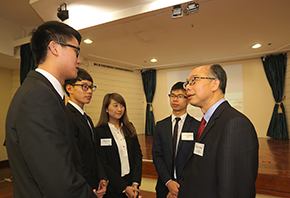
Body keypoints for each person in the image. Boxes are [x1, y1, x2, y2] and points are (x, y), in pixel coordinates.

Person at [5, 21, 100, 198]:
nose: (79, 60)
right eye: (76, 51)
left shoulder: (42, 92)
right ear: (54, 48)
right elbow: (60, 183)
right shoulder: (38, 97)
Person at [178, 64, 259, 198]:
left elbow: (235, 190)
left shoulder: (235, 123)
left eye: (194, 80)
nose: (187, 87)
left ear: (215, 84)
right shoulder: (207, 122)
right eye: (187, 82)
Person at [64, 68, 107, 197]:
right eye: (84, 87)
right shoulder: (67, 116)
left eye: (91, 87)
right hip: (81, 187)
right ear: (69, 89)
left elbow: (93, 152)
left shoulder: (86, 117)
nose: (89, 91)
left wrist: (102, 177)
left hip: (93, 183)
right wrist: (88, 189)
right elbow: (74, 158)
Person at [152, 82, 200, 198]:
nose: (175, 100)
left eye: (179, 96)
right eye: (172, 96)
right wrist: (169, 182)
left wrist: (178, 187)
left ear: (188, 100)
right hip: (164, 186)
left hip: (187, 188)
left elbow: (196, 160)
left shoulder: (196, 126)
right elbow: (157, 155)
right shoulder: (160, 126)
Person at [94, 93, 142, 198]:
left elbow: (137, 155)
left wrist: (135, 182)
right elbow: (103, 163)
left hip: (131, 184)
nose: (120, 109)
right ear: (106, 109)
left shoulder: (129, 127)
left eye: (122, 105)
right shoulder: (99, 132)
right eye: (115, 105)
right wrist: (124, 187)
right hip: (112, 187)